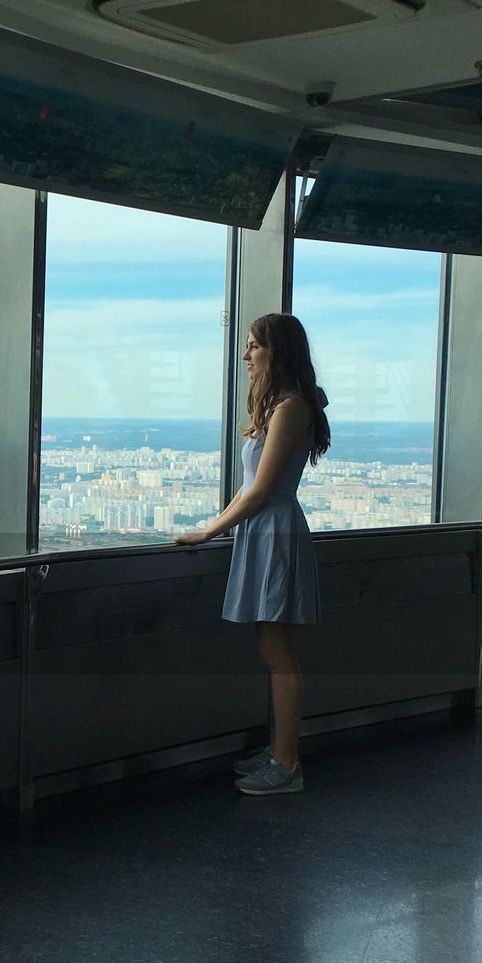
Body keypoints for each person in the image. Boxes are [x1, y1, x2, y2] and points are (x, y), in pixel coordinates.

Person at [174, 313, 330, 796]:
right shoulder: (284, 405)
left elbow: (259, 491)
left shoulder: (290, 408)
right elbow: (249, 490)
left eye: (254, 347)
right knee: (273, 650)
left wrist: (208, 532)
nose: (246, 356)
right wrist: (219, 525)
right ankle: (280, 752)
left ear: (277, 351)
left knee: (279, 653)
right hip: (263, 532)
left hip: (273, 532)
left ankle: (287, 765)